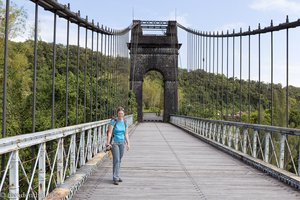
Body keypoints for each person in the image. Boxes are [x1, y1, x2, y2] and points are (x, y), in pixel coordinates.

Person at [106, 107, 130, 185]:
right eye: (119, 113)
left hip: (122, 143)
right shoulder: (113, 121)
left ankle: (116, 175)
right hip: (114, 143)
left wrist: (128, 143)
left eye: (122, 113)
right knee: (116, 160)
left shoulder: (125, 122)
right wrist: (108, 143)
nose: (120, 115)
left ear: (124, 114)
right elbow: (109, 133)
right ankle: (115, 178)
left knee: (119, 160)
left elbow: (126, 133)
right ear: (117, 114)